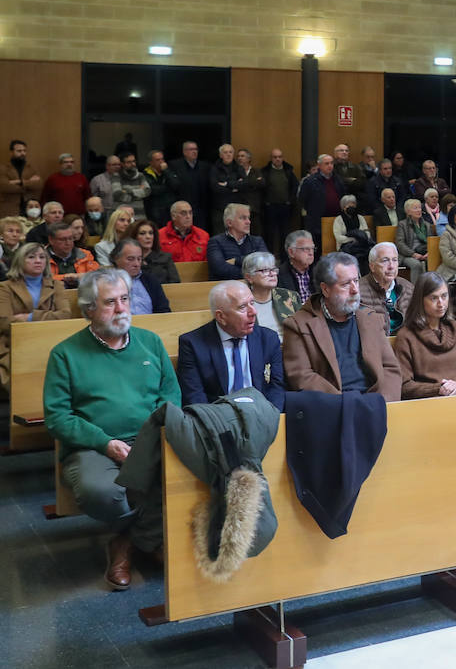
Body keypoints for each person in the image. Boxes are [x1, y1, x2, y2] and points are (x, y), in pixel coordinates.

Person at [44, 269, 180, 589]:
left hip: (152, 438)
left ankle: (128, 543)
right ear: (88, 309)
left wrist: (154, 435)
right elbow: (57, 417)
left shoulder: (150, 342)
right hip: (94, 446)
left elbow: (171, 394)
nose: (121, 309)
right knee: (100, 492)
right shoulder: (65, 353)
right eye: (110, 303)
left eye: (124, 299)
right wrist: (105, 443)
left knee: (190, 473)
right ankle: (151, 537)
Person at [281, 252, 403, 400]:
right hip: (332, 408)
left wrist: (381, 402)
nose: (355, 290)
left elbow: (390, 368)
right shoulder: (298, 325)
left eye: (356, 281)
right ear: (325, 289)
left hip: (375, 405)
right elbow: (302, 376)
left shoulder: (370, 318)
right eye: (346, 284)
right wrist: (347, 405)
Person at [176, 280, 286, 409]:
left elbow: (277, 386)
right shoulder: (192, 344)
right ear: (221, 317)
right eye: (242, 307)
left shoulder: (268, 339)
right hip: (217, 419)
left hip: (261, 415)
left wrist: (270, 417)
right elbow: (194, 395)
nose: (253, 312)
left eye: (252, 303)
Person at [0, 242, 70, 397]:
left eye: (41, 257)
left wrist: (30, 317)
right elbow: (4, 322)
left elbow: (65, 315)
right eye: (31, 257)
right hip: (15, 343)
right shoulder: (5, 287)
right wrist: (48, 317)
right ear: (20, 261)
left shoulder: (56, 285)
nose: (38, 261)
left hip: (50, 341)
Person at [393, 272, 456, 398]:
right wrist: (440, 389)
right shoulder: (406, 336)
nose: (441, 303)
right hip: (427, 404)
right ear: (420, 301)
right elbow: (404, 386)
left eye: (444, 296)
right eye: (434, 298)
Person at [358, 242, 414, 336]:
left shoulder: (408, 287)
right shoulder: (358, 290)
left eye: (395, 260)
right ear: (372, 266)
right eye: (385, 260)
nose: (391, 266)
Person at [242, 250, 301, 336]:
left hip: (290, 346)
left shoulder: (289, 296)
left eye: (273, 269)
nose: (272, 274)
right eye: (265, 270)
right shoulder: (241, 302)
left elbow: (304, 328)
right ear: (249, 277)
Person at [207, 203, 268, 280]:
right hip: (226, 288)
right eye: (243, 218)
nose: (248, 222)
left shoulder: (257, 241)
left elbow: (266, 263)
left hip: (253, 288)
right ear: (229, 223)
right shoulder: (215, 242)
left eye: (248, 218)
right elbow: (220, 270)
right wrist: (253, 274)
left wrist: (236, 261)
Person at [297, 153, 344, 250]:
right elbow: (302, 199)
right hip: (317, 221)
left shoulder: (338, 179)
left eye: (331, 163)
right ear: (319, 165)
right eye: (326, 163)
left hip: (335, 219)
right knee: (317, 248)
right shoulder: (310, 181)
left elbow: (342, 195)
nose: (330, 166)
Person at [110, 239, 170, 315]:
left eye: (139, 259)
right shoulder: (107, 282)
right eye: (130, 259)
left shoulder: (150, 280)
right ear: (116, 259)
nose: (137, 264)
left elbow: (164, 310)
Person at [164, 141, 210, 230]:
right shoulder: (175, 165)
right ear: (184, 152)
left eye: (196, 149)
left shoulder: (205, 166)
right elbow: (173, 185)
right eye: (191, 149)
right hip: (182, 207)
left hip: (201, 209)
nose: (194, 152)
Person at [46, 220, 98, 289]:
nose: (68, 243)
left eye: (70, 238)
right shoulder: (41, 258)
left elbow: (97, 275)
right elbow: (41, 279)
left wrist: (79, 277)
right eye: (63, 239)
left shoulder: (84, 254)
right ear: (51, 240)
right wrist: (66, 277)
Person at [396, 198, 433, 282]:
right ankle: (416, 290)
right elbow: (400, 244)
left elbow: (432, 242)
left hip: (425, 253)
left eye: (420, 207)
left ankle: (431, 288)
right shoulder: (402, 225)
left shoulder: (427, 225)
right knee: (416, 264)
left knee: (432, 261)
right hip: (408, 255)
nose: (419, 210)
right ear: (408, 211)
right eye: (415, 208)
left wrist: (429, 253)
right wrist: (413, 254)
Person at [2, 140, 42, 215]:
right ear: (11, 152)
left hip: (29, 207)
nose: (23, 153)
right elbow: (4, 186)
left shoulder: (31, 167)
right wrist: (29, 183)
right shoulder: (3, 168)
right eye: (19, 151)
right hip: (10, 207)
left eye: (24, 151)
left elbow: (38, 185)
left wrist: (19, 182)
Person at [278, 230, 317, 302]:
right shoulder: (279, 275)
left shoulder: (318, 271)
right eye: (306, 249)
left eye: (312, 249)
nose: (311, 253)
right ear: (291, 252)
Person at [110, 154, 151, 221]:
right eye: (129, 162)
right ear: (122, 164)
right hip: (123, 217)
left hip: (140, 215)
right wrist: (139, 191)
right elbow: (117, 194)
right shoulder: (116, 176)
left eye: (134, 161)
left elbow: (147, 191)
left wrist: (127, 191)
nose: (133, 164)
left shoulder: (140, 176)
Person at [141, 149, 172, 227]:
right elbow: (153, 190)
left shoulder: (168, 171)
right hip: (153, 211)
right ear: (151, 162)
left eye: (162, 159)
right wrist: (168, 187)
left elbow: (176, 185)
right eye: (158, 160)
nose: (161, 162)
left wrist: (166, 171)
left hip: (168, 209)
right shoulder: (145, 174)